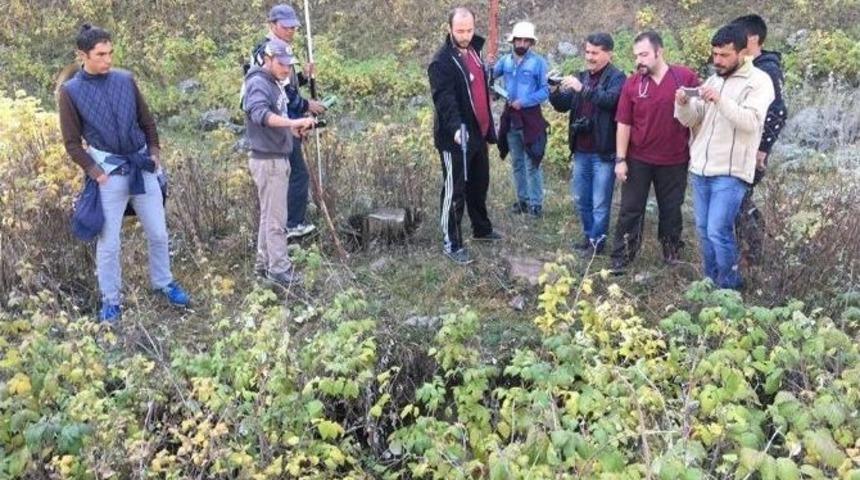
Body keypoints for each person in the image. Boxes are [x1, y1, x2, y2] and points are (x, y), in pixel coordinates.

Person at [58, 24, 190, 323]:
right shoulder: (71, 92)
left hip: (142, 166)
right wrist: (95, 171)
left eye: (110, 53)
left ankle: (163, 282)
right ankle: (111, 301)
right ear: (82, 55)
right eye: (100, 54)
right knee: (110, 243)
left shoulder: (125, 80)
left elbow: (148, 122)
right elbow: (71, 143)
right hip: (108, 173)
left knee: (158, 232)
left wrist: (154, 154)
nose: (108, 60)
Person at [675, 24, 775, 290]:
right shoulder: (714, 79)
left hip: (731, 172)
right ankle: (710, 282)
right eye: (715, 54)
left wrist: (719, 100)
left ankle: (729, 287)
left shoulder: (760, 82)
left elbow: (751, 122)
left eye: (724, 55)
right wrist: (682, 104)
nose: (717, 61)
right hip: (701, 169)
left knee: (718, 231)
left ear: (743, 53)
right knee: (704, 231)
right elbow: (692, 120)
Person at [609, 31, 700, 272]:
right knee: (630, 208)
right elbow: (624, 123)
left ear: (659, 52)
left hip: (674, 159)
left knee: (671, 209)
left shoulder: (684, 77)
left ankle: (671, 252)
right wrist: (620, 159)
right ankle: (622, 256)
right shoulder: (633, 83)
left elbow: (701, 111)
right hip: (638, 158)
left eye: (644, 54)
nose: (639, 60)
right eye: (636, 55)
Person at [428, 7, 502, 265]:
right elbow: (444, 100)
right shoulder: (441, 62)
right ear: (449, 29)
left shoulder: (475, 52)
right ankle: (452, 241)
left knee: (479, 184)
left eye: (469, 30)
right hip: (455, 138)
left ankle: (481, 229)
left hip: (478, 134)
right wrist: (457, 127)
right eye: (460, 31)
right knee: (454, 189)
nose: (465, 35)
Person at [243, 38, 317, 285]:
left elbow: (276, 118)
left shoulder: (275, 83)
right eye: (281, 63)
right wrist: (293, 123)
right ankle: (279, 270)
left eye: (289, 64)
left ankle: (263, 265)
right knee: (277, 220)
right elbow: (260, 115)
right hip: (269, 160)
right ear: (268, 59)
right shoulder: (257, 83)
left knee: (268, 216)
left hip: (276, 155)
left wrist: (292, 131)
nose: (286, 69)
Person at [248, 4, 326, 240]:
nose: (291, 30)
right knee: (296, 174)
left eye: (294, 27)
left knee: (294, 172)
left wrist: (302, 76)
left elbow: (287, 85)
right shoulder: (266, 52)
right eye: (286, 26)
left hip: (287, 122)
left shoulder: (284, 49)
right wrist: (305, 107)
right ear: (272, 25)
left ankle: (288, 225)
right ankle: (292, 224)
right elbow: (279, 92)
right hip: (277, 129)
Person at [549, 33, 626, 255]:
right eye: (587, 52)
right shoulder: (580, 75)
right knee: (582, 199)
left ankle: (596, 244)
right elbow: (563, 106)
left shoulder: (617, 78)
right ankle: (589, 236)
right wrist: (553, 90)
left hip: (604, 151)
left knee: (600, 202)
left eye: (595, 53)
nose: (590, 57)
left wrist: (582, 89)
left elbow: (610, 101)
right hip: (581, 150)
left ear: (608, 54)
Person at [731, 14, 788, 264]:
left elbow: (778, 111)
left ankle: (754, 252)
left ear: (753, 38)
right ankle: (753, 247)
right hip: (738, 144)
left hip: (753, 149)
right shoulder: (744, 66)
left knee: (738, 197)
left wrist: (763, 148)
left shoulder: (767, 69)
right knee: (739, 198)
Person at [492, 21, 549, 218]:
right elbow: (490, 77)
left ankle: (536, 204)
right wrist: (492, 87)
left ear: (531, 43)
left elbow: (545, 91)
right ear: (513, 41)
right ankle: (522, 200)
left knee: (532, 161)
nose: (522, 43)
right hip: (510, 117)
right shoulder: (505, 61)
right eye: (519, 40)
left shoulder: (539, 63)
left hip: (530, 118)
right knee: (517, 161)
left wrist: (524, 101)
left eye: (526, 40)